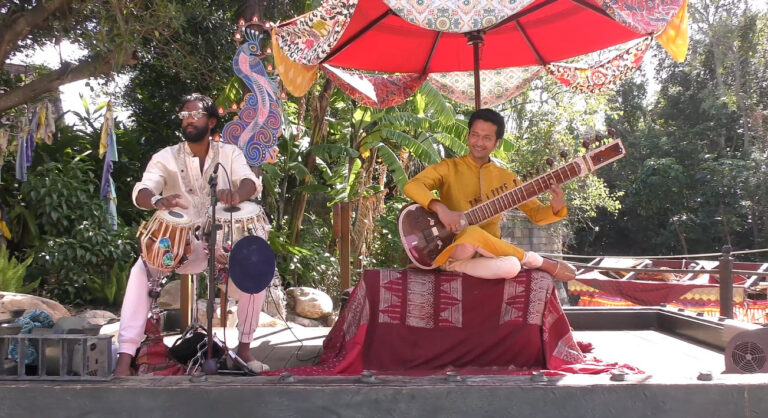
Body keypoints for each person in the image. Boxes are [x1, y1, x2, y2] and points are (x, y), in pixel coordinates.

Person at [114, 93, 269, 376]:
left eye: (195, 114)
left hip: (223, 241)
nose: (188, 119)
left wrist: (236, 194)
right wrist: (157, 201)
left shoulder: (229, 154)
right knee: (143, 268)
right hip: (182, 244)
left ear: (211, 121)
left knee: (255, 267)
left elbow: (250, 182)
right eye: (184, 115)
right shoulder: (166, 157)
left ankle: (244, 349)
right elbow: (143, 189)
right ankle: (124, 358)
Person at [403, 108, 576, 281]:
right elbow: (412, 186)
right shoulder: (448, 167)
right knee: (472, 233)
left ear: (497, 143)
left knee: (512, 266)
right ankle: (536, 260)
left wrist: (557, 205)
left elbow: (537, 214)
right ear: (468, 135)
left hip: (489, 254)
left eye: (487, 138)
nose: (479, 142)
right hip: (455, 245)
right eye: (475, 135)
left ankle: (449, 266)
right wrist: (440, 208)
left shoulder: (507, 179)